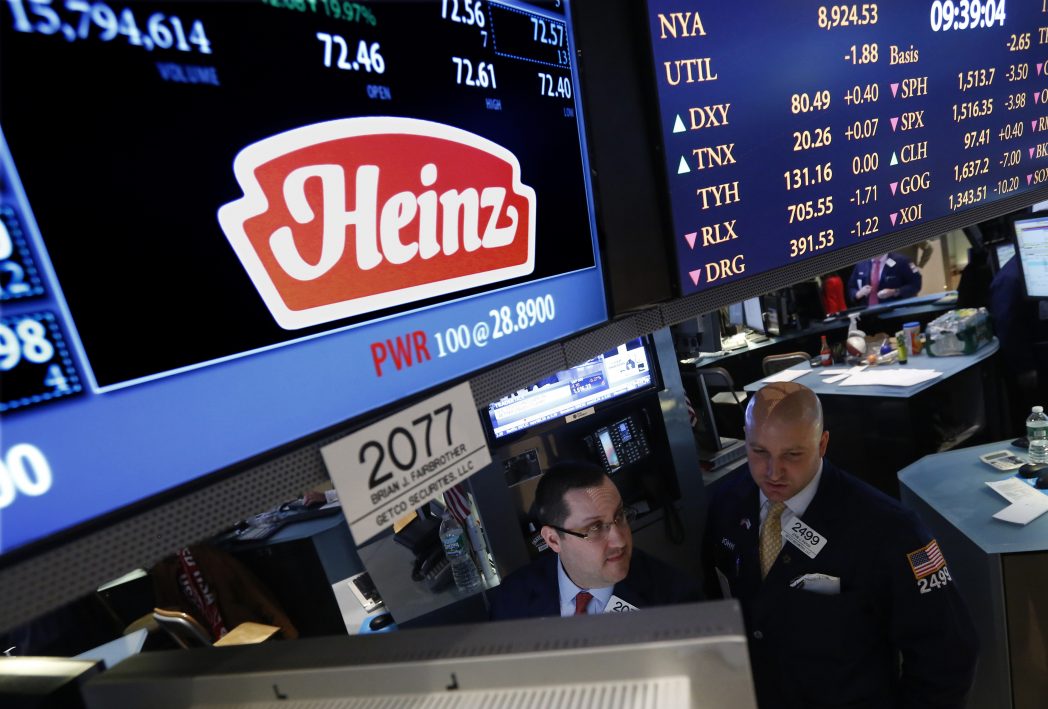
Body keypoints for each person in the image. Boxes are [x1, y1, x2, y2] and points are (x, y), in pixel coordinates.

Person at [703, 382, 977, 708]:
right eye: (759, 451)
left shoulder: (890, 530)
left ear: (822, 444)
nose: (772, 472)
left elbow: (948, 654)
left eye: (792, 454)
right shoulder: (726, 505)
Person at [488, 462, 700, 620]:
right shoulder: (512, 600)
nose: (620, 540)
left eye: (619, 516)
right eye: (594, 528)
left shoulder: (675, 599)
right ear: (553, 540)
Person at [847, 252, 922, 306]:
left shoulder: (901, 261)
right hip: (868, 315)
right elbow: (851, 287)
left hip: (895, 312)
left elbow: (916, 284)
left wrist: (895, 292)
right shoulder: (861, 264)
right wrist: (858, 294)